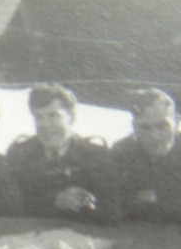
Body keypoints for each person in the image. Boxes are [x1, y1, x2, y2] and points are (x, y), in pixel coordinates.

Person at [7, 83, 120, 225]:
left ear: (71, 117)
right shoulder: (20, 154)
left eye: (53, 116)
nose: (44, 124)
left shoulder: (96, 156)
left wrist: (85, 204)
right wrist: (54, 201)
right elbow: (9, 205)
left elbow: (115, 211)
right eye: (38, 117)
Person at [111, 87, 181, 231]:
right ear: (134, 126)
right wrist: (177, 201)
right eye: (145, 128)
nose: (154, 136)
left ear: (177, 122)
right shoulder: (121, 151)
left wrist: (150, 199)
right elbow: (113, 208)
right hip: (133, 237)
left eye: (162, 126)